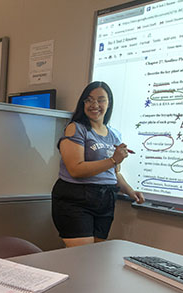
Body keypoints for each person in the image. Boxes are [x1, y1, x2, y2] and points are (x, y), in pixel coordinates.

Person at [51, 81, 144, 248]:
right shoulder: (76, 128)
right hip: (76, 198)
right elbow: (75, 169)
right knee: (81, 256)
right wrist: (114, 159)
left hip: (105, 199)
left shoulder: (114, 134)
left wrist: (130, 191)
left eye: (101, 100)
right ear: (82, 103)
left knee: (95, 255)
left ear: (109, 104)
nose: (94, 105)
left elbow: (113, 173)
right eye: (89, 100)